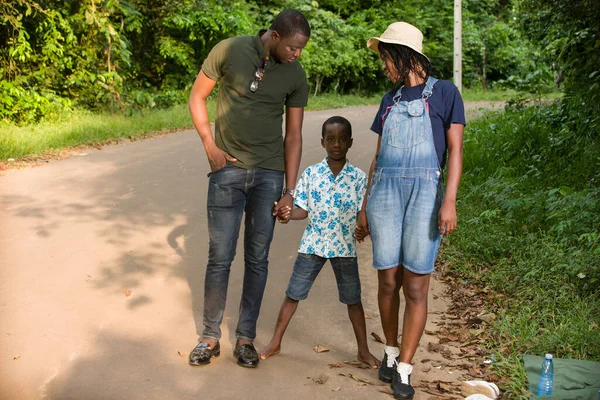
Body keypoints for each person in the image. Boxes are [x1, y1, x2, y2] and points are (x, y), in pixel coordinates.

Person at [187, 9, 310, 369]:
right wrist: (210, 145)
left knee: (257, 260)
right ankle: (209, 337)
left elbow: (295, 135)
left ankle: (245, 339)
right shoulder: (229, 51)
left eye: (301, 49)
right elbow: (197, 97)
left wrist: (290, 189)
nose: (296, 55)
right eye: (292, 48)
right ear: (273, 36)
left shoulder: (296, 74)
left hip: (269, 176)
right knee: (219, 257)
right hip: (228, 171)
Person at [355, 22, 465, 399]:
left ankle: (404, 367)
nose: (384, 66)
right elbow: (378, 155)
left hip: (425, 195)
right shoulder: (390, 100)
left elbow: (456, 152)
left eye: (387, 58)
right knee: (388, 281)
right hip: (384, 192)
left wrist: (448, 200)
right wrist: (364, 205)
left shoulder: (446, 93)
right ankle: (389, 350)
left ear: (406, 56)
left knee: (416, 284)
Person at [259, 116, 380, 369]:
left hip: (344, 248)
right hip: (312, 246)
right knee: (293, 294)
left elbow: (362, 215)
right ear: (323, 142)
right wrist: (288, 213)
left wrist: (362, 230)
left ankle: (363, 351)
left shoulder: (358, 179)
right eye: (331, 139)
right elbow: (303, 210)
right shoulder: (312, 174)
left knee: (353, 299)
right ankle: (275, 342)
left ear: (350, 142)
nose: (336, 144)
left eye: (342, 139)